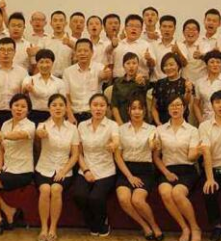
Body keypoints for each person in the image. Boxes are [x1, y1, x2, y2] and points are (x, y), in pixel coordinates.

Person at [0, 94, 35, 235]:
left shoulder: (30, 125)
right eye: (16, 105)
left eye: (23, 106)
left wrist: (4, 135)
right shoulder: (6, 124)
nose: (19, 109)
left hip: (22, 171)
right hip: (7, 169)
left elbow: (19, 135)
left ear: (28, 110)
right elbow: (2, 149)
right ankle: (9, 211)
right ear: (10, 107)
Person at [154, 95, 201, 241]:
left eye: (178, 105)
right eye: (172, 105)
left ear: (184, 108)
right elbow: (156, 157)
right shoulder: (160, 130)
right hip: (167, 169)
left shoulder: (192, 130)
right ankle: (184, 228)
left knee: (177, 193)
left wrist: (199, 152)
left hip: (187, 169)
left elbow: (192, 157)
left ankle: (195, 228)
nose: (175, 108)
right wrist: (166, 173)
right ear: (168, 109)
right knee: (165, 192)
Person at [114, 97, 163, 240]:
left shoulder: (152, 129)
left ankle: (154, 225)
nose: (137, 111)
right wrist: (129, 177)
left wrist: (155, 145)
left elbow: (154, 149)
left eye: (140, 108)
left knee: (137, 200)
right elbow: (118, 157)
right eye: (134, 108)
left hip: (144, 169)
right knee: (123, 199)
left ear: (145, 111)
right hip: (125, 169)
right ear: (128, 110)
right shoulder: (121, 129)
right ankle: (145, 226)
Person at [35, 94, 79, 241]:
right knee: (45, 189)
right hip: (43, 168)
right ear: (49, 108)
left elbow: (75, 155)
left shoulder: (73, 129)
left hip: (64, 170)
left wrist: (63, 171)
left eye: (61, 105)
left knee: (55, 188)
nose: (58, 108)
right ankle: (43, 228)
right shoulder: (42, 125)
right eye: (54, 105)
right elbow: (39, 133)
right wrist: (40, 134)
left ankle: (53, 227)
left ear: (66, 108)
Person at [74, 93, 119, 237]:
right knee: (79, 196)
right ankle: (93, 223)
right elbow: (79, 153)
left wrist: (113, 145)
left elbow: (116, 140)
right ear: (90, 107)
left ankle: (102, 222)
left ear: (107, 108)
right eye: (95, 105)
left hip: (106, 170)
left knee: (96, 198)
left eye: (102, 105)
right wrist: (86, 170)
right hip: (86, 168)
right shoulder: (82, 125)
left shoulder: (112, 125)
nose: (98, 108)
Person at [0, 37, 29, 168]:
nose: (6, 53)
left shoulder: (22, 72)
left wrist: (27, 90)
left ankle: (11, 169)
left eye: (9, 50)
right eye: (2, 50)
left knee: (15, 139)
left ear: (14, 52)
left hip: (14, 114)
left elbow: (25, 95)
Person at [63, 39, 111, 123]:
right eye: (79, 51)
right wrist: (70, 116)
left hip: (94, 113)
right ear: (75, 53)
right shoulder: (68, 72)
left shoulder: (99, 67)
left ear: (92, 52)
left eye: (86, 51)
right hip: (75, 113)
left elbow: (104, 76)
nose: (82, 53)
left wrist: (106, 75)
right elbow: (66, 96)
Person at [199, 90, 221, 241]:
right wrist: (210, 178)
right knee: (209, 190)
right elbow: (206, 152)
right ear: (212, 105)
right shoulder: (204, 126)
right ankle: (218, 226)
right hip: (212, 169)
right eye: (218, 102)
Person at [22, 49, 66, 126]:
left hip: (54, 116)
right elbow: (23, 92)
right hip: (34, 115)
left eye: (47, 62)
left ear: (52, 63)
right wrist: (27, 89)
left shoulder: (60, 82)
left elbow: (63, 102)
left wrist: (34, 90)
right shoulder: (29, 79)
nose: (44, 65)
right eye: (41, 62)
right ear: (37, 63)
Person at [152, 53, 192, 126]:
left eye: (171, 64)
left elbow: (186, 103)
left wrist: (188, 91)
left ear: (178, 65)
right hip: (161, 123)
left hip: (180, 124)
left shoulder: (185, 83)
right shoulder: (159, 83)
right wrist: (158, 123)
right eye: (165, 65)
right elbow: (153, 107)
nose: (168, 68)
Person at [111, 14, 156, 78]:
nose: (134, 28)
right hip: (118, 81)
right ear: (125, 28)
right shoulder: (117, 45)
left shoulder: (146, 45)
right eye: (131, 25)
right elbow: (110, 64)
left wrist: (149, 59)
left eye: (137, 26)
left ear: (141, 30)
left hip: (140, 80)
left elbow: (152, 65)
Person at [111, 52, 148, 125]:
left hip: (139, 120)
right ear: (123, 66)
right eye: (128, 63)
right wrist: (120, 124)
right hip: (122, 120)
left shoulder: (143, 80)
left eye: (134, 63)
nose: (131, 66)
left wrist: (140, 83)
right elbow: (114, 106)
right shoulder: (117, 82)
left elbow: (143, 88)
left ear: (138, 65)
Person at [151, 15, 187, 82]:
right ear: (160, 28)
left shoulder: (181, 45)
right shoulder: (153, 45)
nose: (167, 29)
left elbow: (184, 64)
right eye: (164, 26)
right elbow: (150, 66)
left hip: (174, 83)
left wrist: (178, 52)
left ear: (174, 29)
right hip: (155, 82)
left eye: (170, 27)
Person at [39, 11, 73, 78]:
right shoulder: (44, 40)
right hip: (49, 77)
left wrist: (71, 44)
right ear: (51, 23)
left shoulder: (73, 40)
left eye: (61, 20)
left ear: (66, 23)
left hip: (67, 77)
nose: (58, 23)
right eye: (55, 21)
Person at [194, 50, 221, 123]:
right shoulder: (199, 82)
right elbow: (196, 104)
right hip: (206, 121)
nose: (215, 64)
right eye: (212, 62)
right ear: (206, 64)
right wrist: (201, 121)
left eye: (218, 62)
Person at [179, 19, 206, 84]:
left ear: (198, 33)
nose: (191, 31)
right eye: (188, 29)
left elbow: (211, 60)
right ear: (183, 32)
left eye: (194, 29)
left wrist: (202, 56)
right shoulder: (180, 45)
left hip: (200, 84)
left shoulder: (205, 45)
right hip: (184, 83)